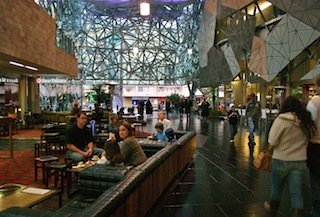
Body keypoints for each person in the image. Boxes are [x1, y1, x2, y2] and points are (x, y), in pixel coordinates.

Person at [264, 96, 315, 217]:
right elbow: (310, 138)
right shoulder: (305, 121)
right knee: (297, 193)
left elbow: (272, 140)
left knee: (276, 188)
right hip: (299, 160)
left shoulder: (281, 120)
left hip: (281, 159)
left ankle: (272, 211)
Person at [306, 74, 320, 217]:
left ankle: (316, 211)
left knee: (316, 178)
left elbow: (309, 125)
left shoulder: (314, 102)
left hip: (316, 146)